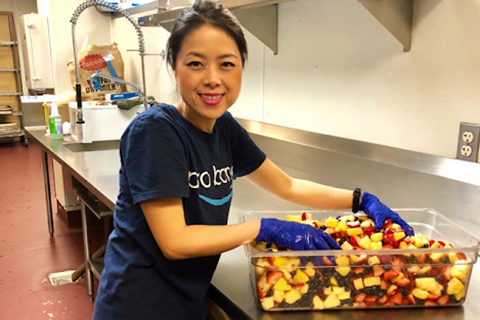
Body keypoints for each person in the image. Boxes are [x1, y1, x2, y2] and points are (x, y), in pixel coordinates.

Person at [92, 1, 413, 319]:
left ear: (242, 68)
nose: (213, 79)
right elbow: (175, 241)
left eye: (227, 64)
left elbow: (286, 185)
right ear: (174, 66)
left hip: (186, 301)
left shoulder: (224, 128)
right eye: (196, 64)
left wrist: (361, 200)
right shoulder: (156, 132)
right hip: (136, 305)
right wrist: (262, 228)